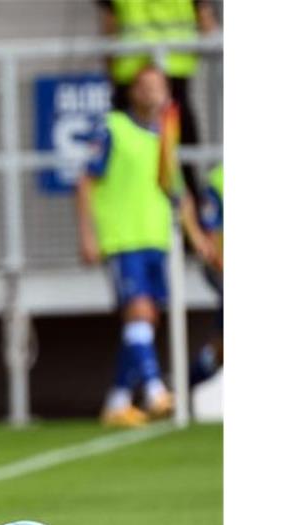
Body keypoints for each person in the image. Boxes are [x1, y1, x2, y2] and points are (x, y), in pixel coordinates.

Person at [75, 65, 217, 427]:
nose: (154, 93)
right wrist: (88, 235)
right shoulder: (114, 129)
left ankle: (118, 401)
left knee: (146, 319)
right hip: (124, 237)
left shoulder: (164, 137)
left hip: (155, 238)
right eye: (146, 87)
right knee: (139, 312)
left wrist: (198, 238)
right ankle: (155, 392)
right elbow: (86, 183)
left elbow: (176, 192)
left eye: (160, 87)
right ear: (134, 92)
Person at [96, 0, 220, 201]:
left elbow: (110, 26)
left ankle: (181, 217)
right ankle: (187, 217)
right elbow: (207, 24)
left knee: (128, 158)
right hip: (172, 71)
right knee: (181, 161)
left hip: (131, 73)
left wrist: (112, 70)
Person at [190, 163, 223, 386]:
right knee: (222, 349)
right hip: (223, 269)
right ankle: (181, 388)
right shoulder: (219, 180)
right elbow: (211, 237)